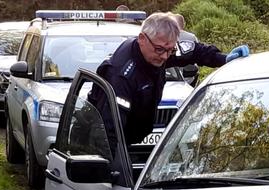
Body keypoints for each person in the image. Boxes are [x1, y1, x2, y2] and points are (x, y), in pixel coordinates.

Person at [88, 12, 249, 166]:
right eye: (160, 50)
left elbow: (194, 51)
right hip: (107, 142)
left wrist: (224, 58)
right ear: (142, 39)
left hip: (135, 133)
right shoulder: (121, 75)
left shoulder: (159, 47)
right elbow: (108, 131)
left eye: (170, 50)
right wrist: (110, 170)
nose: (165, 56)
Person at [169, 13, 200, 86]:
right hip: (189, 76)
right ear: (183, 24)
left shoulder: (167, 35)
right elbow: (198, 54)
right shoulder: (191, 37)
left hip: (171, 76)